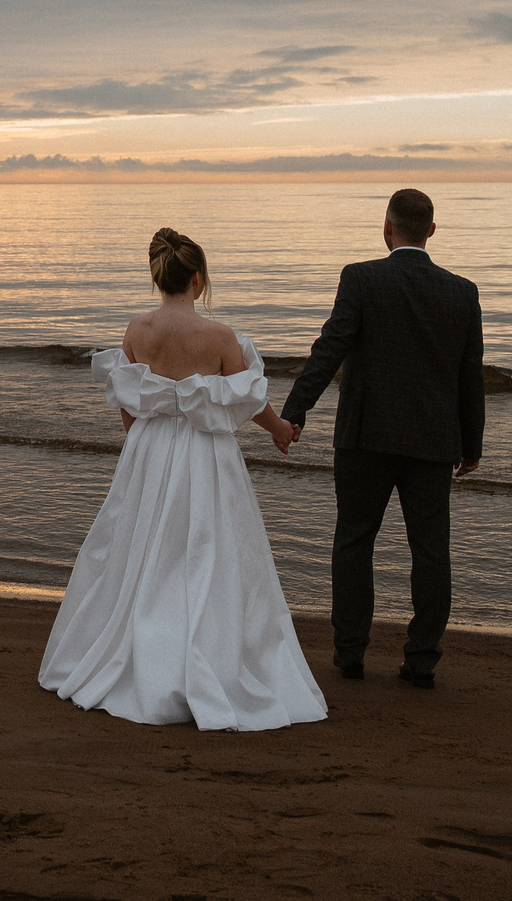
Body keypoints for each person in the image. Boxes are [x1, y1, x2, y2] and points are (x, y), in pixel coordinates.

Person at [38, 228, 326, 730]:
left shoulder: (138, 329)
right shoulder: (219, 337)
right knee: (208, 552)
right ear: (198, 279)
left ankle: (137, 649)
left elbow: (129, 404)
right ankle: (208, 654)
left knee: (142, 550)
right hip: (204, 454)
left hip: (149, 450)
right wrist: (280, 428)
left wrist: (140, 446)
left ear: (160, 278)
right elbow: (246, 400)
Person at [272, 188, 484, 689]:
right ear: (431, 231)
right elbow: (468, 376)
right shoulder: (462, 291)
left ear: (386, 228)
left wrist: (295, 411)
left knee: (353, 543)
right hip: (433, 442)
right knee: (431, 552)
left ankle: (350, 654)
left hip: (365, 437)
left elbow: (330, 348)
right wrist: (471, 444)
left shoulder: (361, 277)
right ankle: (423, 660)